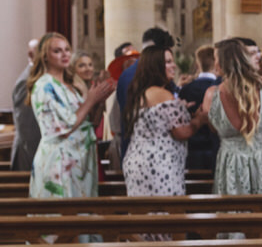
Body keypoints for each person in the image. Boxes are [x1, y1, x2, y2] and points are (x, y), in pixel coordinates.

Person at [202, 38, 262, 195]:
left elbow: (214, 127)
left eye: (216, 59)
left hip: (233, 162)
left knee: (238, 215)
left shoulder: (211, 95)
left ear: (223, 62)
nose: (215, 64)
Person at [27, 33, 115, 198]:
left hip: (78, 161)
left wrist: (100, 98)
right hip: (59, 162)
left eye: (67, 49)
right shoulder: (44, 85)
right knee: (61, 217)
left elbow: (87, 122)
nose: (65, 54)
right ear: (45, 56)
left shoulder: (70, 86)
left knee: (80, 217)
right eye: (57, 51)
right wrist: (90, 100)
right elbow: (63, 127)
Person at [122, 46, 208, 196]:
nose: (173, 65)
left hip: (137, 162)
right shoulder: (162, 94)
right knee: (165, 213)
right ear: (155, 67)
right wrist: (199, 120)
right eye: (168, 62)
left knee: (143, 215)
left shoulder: (141, 92)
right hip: (158, 165)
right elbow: (182, 132)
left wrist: (181, 110)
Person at [178, 45, 220, 171]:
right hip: (215, 146)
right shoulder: (220, 86)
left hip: (192, 147)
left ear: (197, 64)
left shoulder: (186, 88)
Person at [10, 39, 41, 170]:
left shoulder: (39, 77)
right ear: (31, 54)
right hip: (29, 155)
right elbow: (27, 129)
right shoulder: (26, 82)